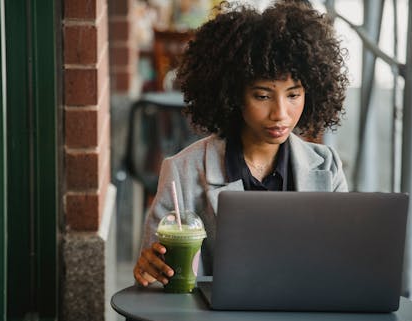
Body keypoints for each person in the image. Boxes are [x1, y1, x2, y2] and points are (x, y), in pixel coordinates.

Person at [133, 0, 349, 288]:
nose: (280, 114)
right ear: (233, 94)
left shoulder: (327, 167)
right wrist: (152, 272)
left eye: (294, 95)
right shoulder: (183, 172)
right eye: (262, 96)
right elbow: (160, 287)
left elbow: (342, 266)